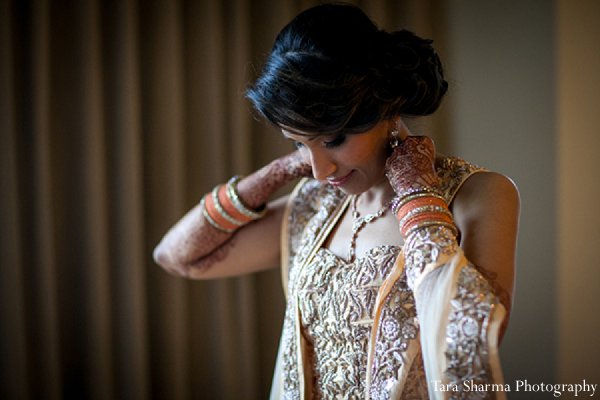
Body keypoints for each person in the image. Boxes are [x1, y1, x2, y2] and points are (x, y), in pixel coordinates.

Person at [153, 3, 519, 399]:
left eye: (333, 140)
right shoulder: (313, 207)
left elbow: (474, 341)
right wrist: (275, 172)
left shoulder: (477, 194)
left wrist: (417, 198)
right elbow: (177, 257)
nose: (320, 170)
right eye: (298, 142)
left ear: (387, 105)